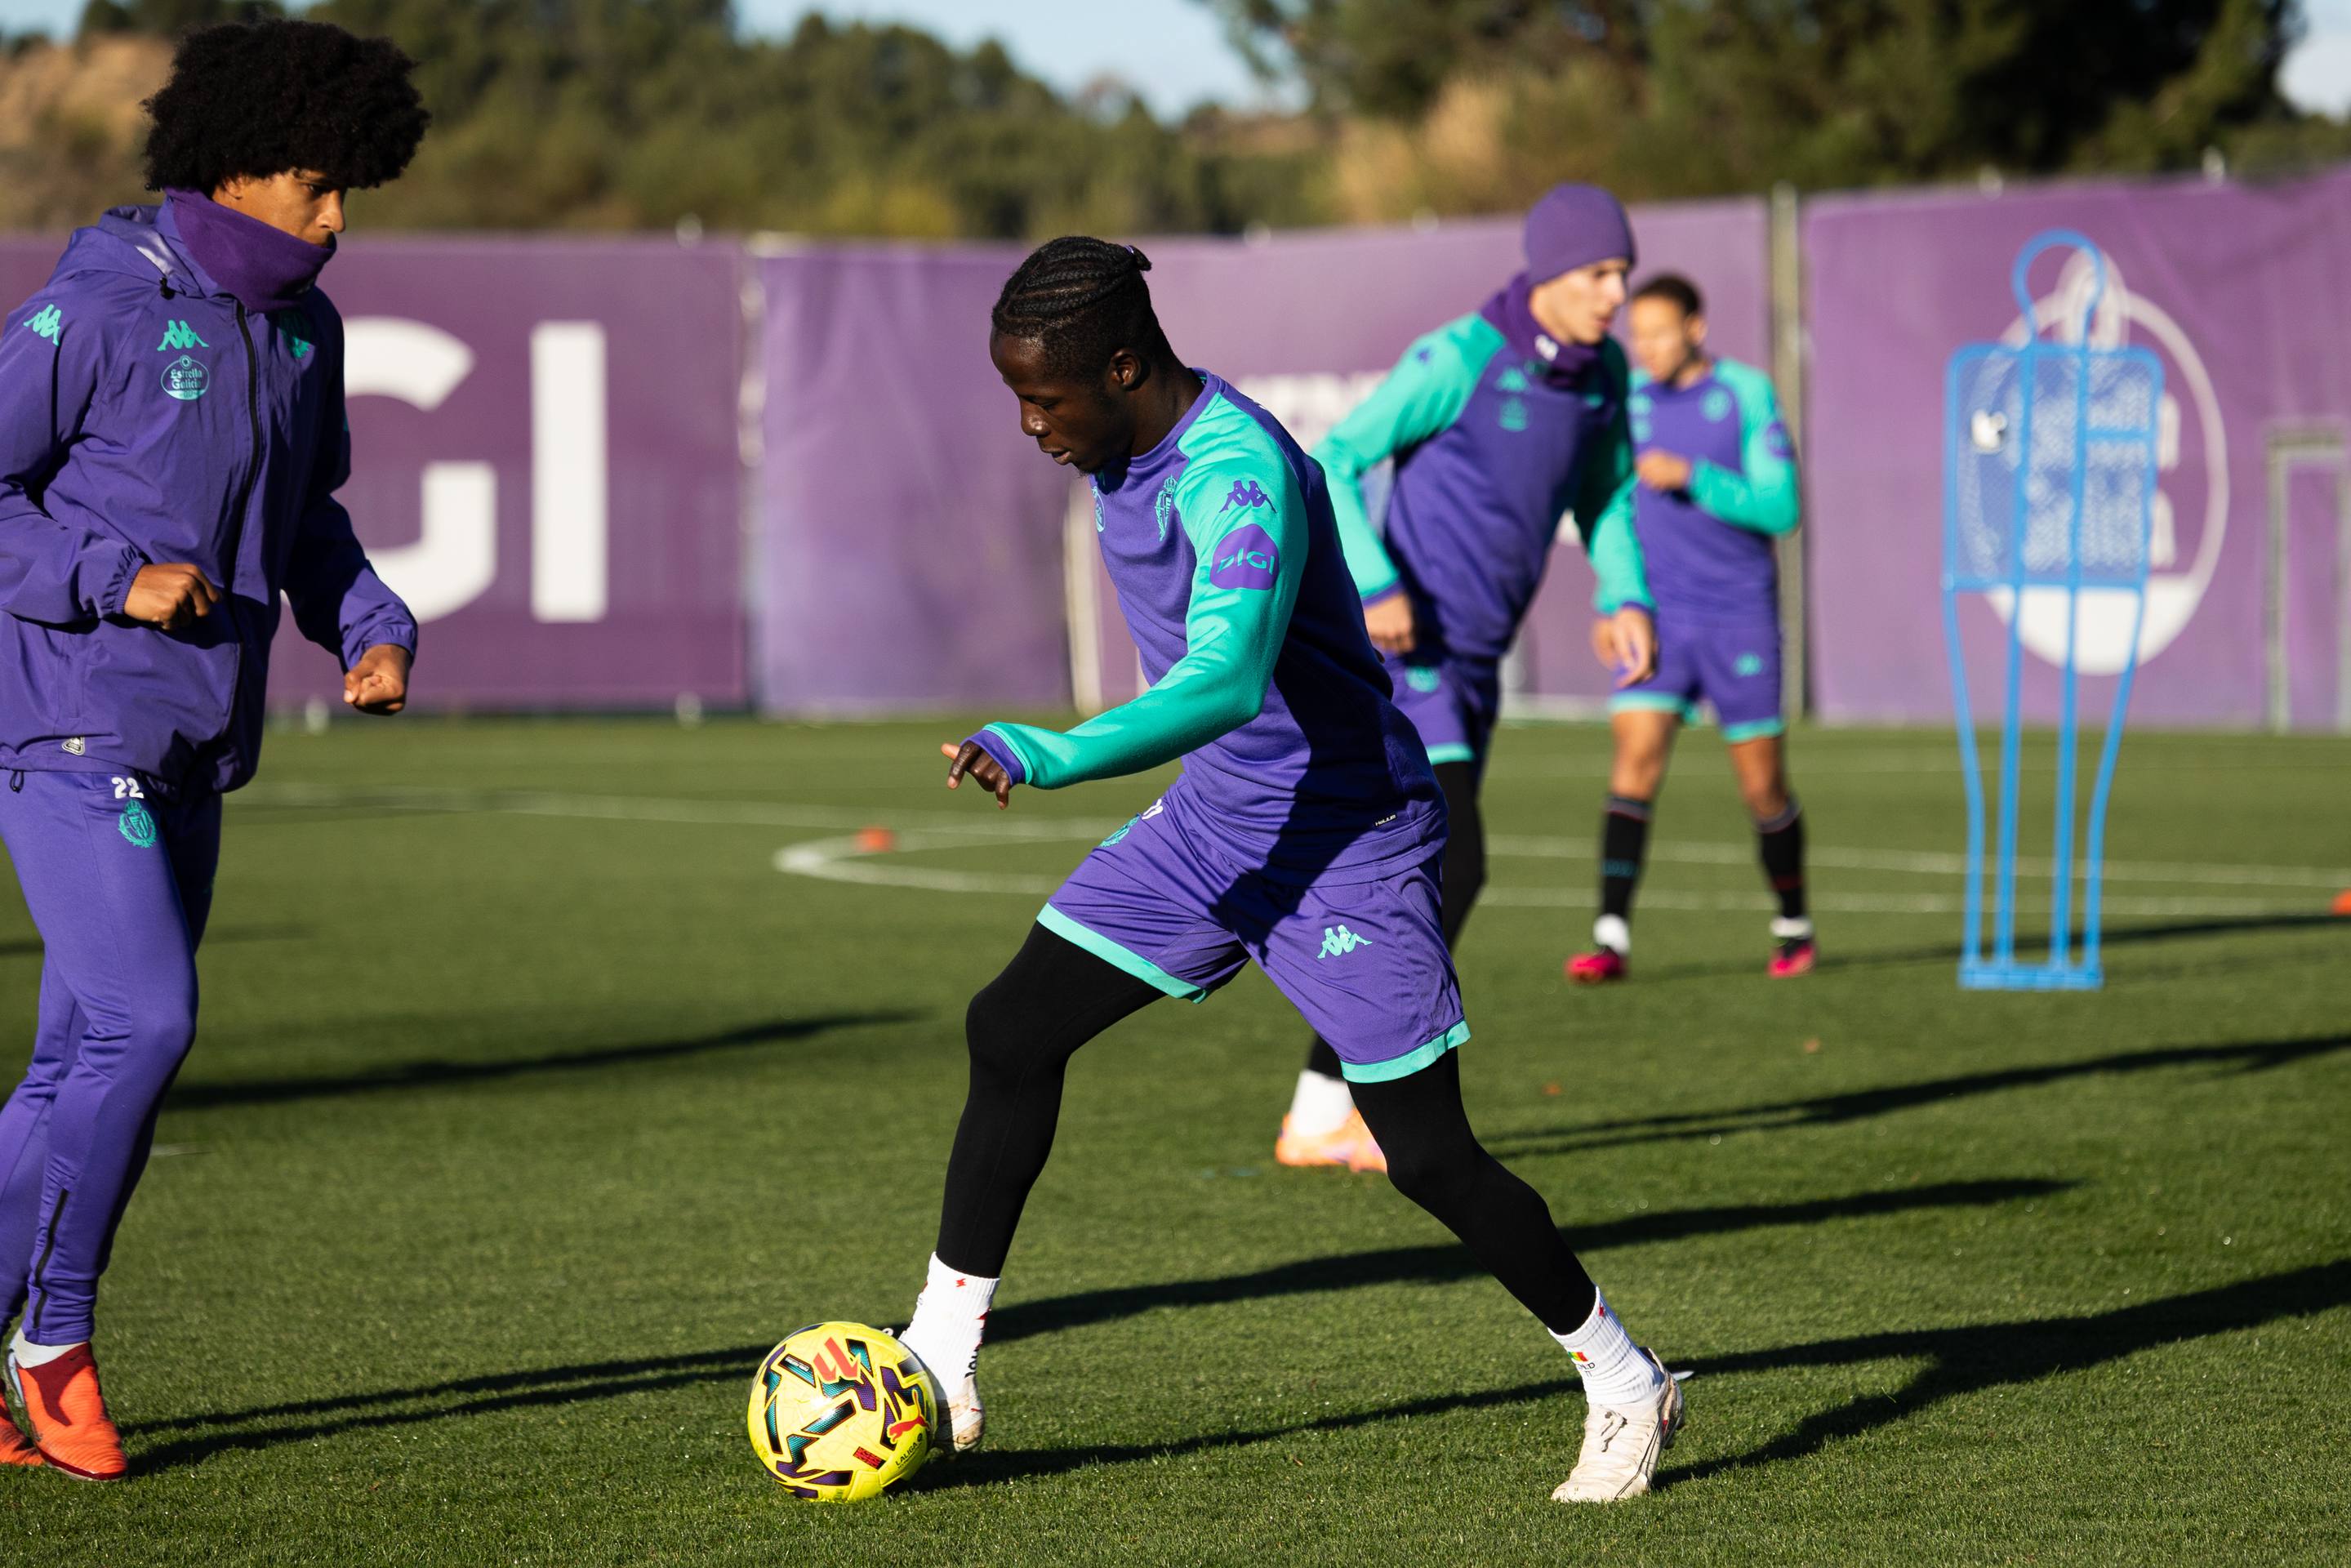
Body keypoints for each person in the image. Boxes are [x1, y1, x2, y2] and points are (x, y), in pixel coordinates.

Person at [898, 237, 1683, 1503]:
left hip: (1348, 840)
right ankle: (939, 1352)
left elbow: (1221, 680)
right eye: (1015, 399)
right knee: (1012, 1028)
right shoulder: (1120, 445)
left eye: (1045, 398)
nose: (1031, 425)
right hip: (1217, 822)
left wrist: (1051, 751)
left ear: (1122, 364)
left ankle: (1623, 1377)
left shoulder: (1235, 471)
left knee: (1425, 1156)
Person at [0, 19, 427, 1480]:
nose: (337, 214)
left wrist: (369, 624)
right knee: (146, 1025)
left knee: (72, 1061)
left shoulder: (308, 326)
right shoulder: (104, 302)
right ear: (237, 167)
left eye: (351, 185)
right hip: (69, 722)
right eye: (317, 182)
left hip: (199, 740)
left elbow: (308, 522)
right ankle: (52, 1343)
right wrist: (108, 582)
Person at [1275, 185, 1654, 1172]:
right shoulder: (1460, 358)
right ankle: (1352, 1102)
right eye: (1596, 274)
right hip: (1407, 660)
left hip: (1475, 665)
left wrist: (1624, 595)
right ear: (1544, 272)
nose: (1614, 293)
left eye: (1622, 273)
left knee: (1411, 875)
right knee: (1456, 864)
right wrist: (1375, 579)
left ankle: (1319, 1109)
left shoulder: (1604, 374)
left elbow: (1607, 496)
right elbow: (1336, 458)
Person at [1565, 274, 1811, 983]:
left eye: (1658, 333)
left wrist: (1697, 476)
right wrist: (1612, 605)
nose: (1643, 347)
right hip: (1657, 616)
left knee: (1762, 787)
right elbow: (1609, 512)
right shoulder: (1627, 401)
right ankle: (1609, 937)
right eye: (1635, 335)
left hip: (1738, 617)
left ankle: (1792, 922)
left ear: (1695, 328)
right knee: (1634, 759)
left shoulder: (1744, 393)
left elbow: (1782, 507)